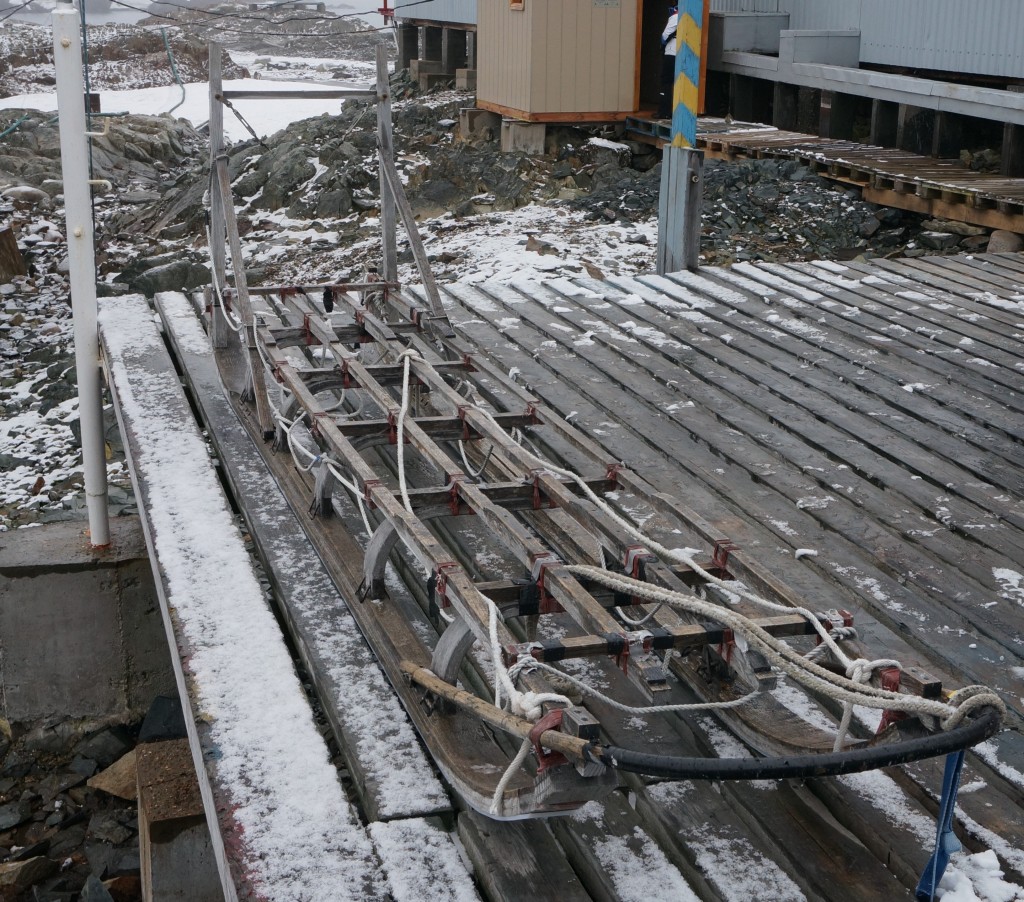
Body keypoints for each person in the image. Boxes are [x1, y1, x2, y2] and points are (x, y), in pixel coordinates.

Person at [657, 5, 678, 119]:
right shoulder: (691, 16)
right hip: (683, 54)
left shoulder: (675, 17)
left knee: (666, 82)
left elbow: (665, 35)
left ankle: (664, 112)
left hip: (671, 52)